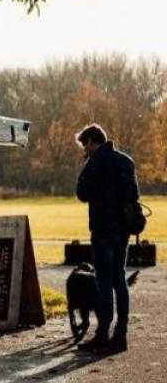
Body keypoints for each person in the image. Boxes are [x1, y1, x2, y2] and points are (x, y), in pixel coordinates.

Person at [74, 124, 139, 354]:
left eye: (85, 145)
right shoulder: (126, 161)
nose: (85, 149)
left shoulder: (95, 162)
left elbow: (81, 193)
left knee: (103, 283)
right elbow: (134, 195)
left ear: (92, 141)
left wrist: (86, 166)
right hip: (122, 231)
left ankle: (102, 334)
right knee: (119, 280)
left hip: (102, 230)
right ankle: (120, 335)